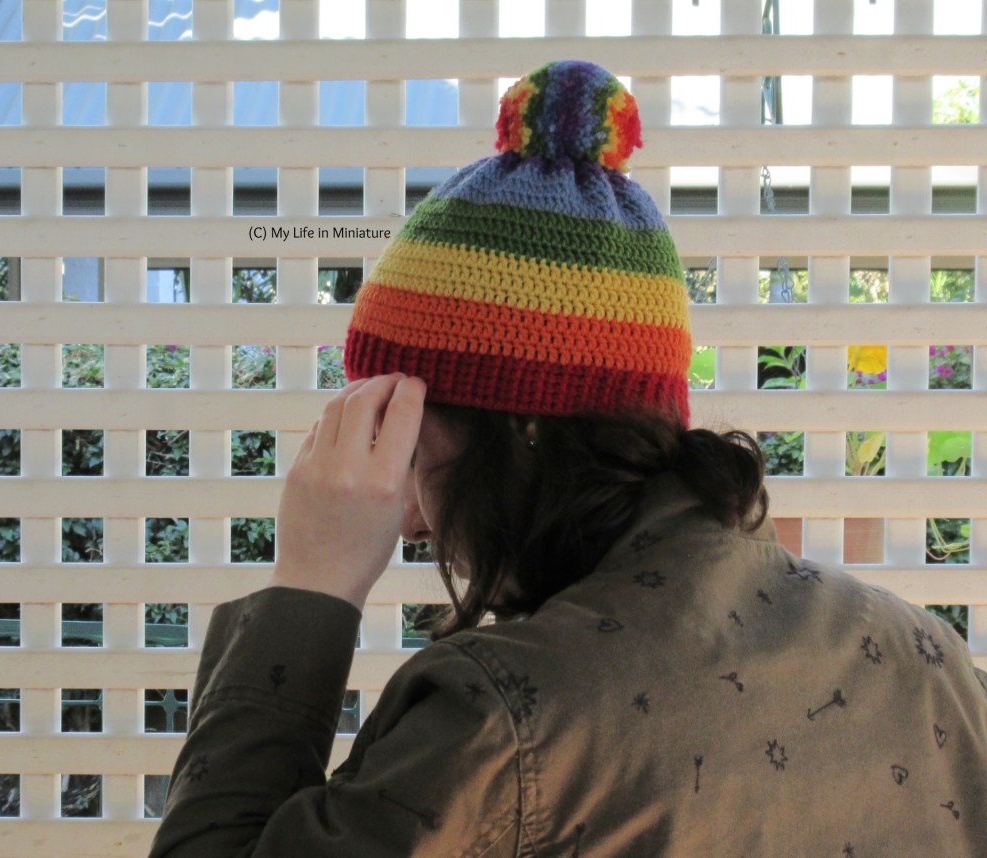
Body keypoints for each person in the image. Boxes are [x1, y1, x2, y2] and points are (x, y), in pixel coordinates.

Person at [149, 61, 987, 856]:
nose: (405, 511)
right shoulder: (928, 659)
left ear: (521, 429)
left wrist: (313, 588)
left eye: (404, 431)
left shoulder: (496, 726)